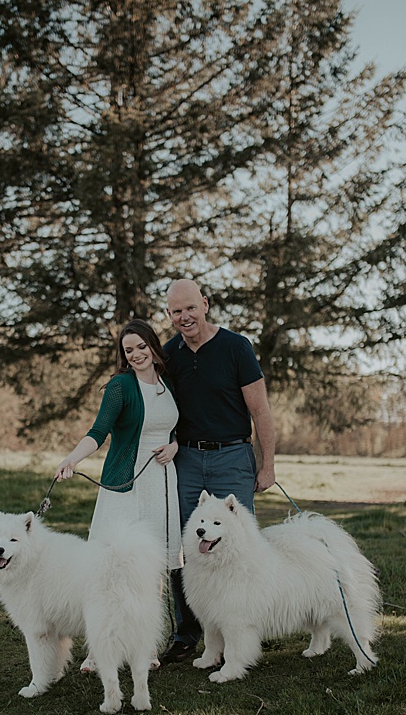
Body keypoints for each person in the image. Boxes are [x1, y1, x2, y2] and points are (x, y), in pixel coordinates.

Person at [160, 277, 277, 666]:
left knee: (239, 547)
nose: (184, 317)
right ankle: (187, 634)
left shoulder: (235, 347)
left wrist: (268, 463)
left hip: (232, 457)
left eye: (190, 308)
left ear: (205, 304)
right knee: (186, 547)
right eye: (176, 311)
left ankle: (244, 626)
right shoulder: (170, 354)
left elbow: (260, 410)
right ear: (169, 315)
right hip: (187, 461)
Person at [54, 319, 182, 560]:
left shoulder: (169, 383)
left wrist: (174, 446)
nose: (136, 354)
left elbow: (172, 428)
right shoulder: (120, 386)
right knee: (123, 558)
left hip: (162, 481)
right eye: (129, 350)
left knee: (157, 559)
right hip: (128, 482)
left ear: (153, 346)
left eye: (141, 346)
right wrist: (72, 460)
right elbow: (98, 433)